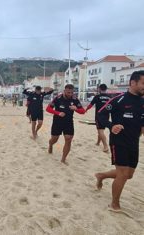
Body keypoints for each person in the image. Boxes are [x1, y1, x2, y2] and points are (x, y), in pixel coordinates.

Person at [95, 71, 144, 211]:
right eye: (143, 83)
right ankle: (114, 204)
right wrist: (111, 126)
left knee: (128, 175)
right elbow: (101, 115)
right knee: (122, 174)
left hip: (134, 141)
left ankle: (101, 175)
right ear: (133, 83)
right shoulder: (118, 99)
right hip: (118, 141)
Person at [46, 84, 86, 165]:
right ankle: (50, 144)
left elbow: (83, 111)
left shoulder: (75, 99)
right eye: (68, 92)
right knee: (54, 139)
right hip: (57, 121)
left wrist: (76, 109)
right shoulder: (57, 98)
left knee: (68, 139)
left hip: (68, 122)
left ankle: (63, 159)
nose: (70, 94)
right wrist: (58, 113)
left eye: (71, 92)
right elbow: (48, 109)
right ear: (64, 91)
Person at [85, 84, 111, 152]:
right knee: (101, 129)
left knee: (100, 131)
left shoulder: (97, 96)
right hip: (107, 115)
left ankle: (105, 146)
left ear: (99, 89)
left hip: (99, 115)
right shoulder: (109, 97)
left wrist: (86, 109)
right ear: (106, 89)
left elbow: (90, 105)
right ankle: (98, 142)